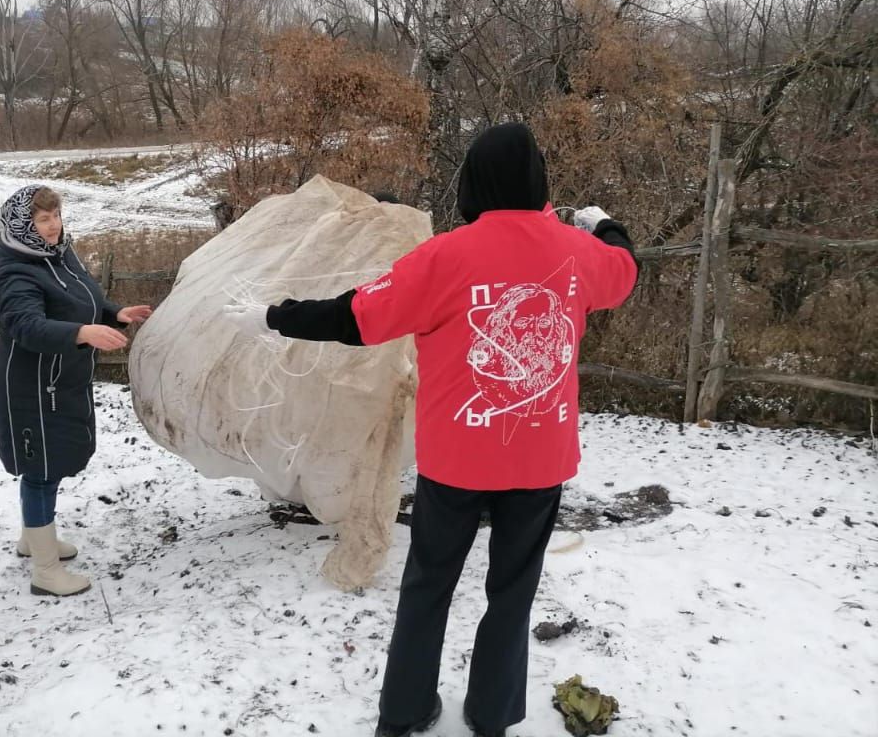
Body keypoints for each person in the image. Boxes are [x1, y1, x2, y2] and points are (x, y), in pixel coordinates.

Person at [221, 123, 638, 737]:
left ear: (472, 183)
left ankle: (404, 712)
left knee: (428, 585)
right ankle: (492, 715)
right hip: (538, 460)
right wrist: (601, 225)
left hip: (457, 460)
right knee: (513, 591)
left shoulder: (446, 255)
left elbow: (355, 316)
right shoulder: (577, 254)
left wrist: (272, 316)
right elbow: (625, 269)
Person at [0, 184, 152, 597]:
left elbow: (83, 298)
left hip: (61, 379)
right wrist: (82, 332)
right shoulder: (14, 271)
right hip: (30, 385)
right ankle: (45, 570)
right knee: (41, 469)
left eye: (56, 215)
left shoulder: (60, 256)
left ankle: (34, 538)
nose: (52, 225)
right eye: (42, 219)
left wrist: (114, 313)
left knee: (53, 461)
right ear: (23, 225)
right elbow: (25, 325)